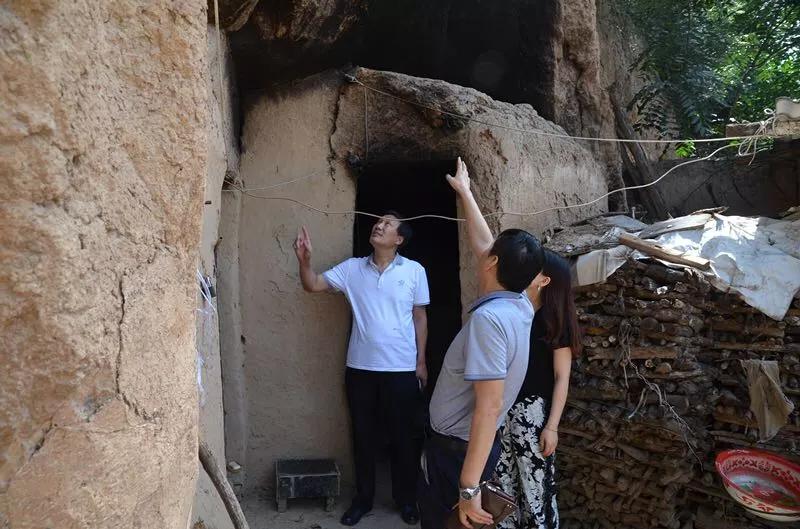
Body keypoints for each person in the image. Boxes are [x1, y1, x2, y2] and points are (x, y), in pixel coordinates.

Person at [419, 158, 545, 529]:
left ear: (493, 265)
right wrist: (465, 192)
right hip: (465, 448)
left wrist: (469, 487)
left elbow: (488, 407)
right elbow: (486, 247)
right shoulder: (520, 303)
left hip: (457, 453)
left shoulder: (489, 321)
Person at [293, 212, 430, 526]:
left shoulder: (414, 271)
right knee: (363, 437)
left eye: (388, 224)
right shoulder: (352, 268)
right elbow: (313, 284)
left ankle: (406, 500)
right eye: (378, 221)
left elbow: (420, 317)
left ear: (399, 239)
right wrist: (304, 261)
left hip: (401, 369)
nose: (379, 225)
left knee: (403, 438)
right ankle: (363, 500)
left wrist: (421, 361)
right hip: (361, 369)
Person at [495, 249, 582, 529]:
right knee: (502, 484)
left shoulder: (554, 321)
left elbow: (562, 377)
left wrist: (552, 426)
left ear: (544, 281)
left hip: (532, 415)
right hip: (500, 409)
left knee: (535, 488)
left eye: (535, 267)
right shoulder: (512, 311)